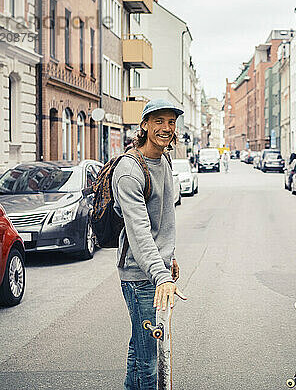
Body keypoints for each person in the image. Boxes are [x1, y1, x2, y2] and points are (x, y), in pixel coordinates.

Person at [112, 99, 187, 389]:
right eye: (159, 121)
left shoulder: (164, 160)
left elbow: (164, 217)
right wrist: (162, 276)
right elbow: (140, 233)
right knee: (150, 359)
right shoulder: (130, 171)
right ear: (144, 125)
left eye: (171, 122)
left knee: (139, 348)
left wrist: (170, 256)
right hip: (140, 277)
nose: (166, 128)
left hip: (156, 271)